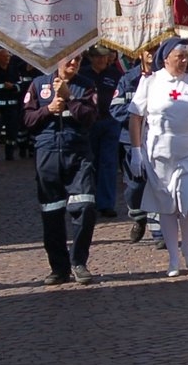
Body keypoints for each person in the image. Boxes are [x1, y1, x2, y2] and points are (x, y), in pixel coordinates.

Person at [128, 36, 188, 276]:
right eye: (178, 56)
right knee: (167, 205)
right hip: (159, 151)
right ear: (166, 57)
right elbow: (136, 117)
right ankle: (173, 257)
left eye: (186, 56)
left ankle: (187, 246)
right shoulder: (150, 82)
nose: (183, 61)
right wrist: (136, 151)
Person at [22, 51, 100, 286]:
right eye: (70, 59)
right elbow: (27, 120)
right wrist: (48, 110)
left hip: (78, 154)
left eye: (78, 60)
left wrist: (70, 99)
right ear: (58, 60)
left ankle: (78, 261)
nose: (74, 63)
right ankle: (59, 268)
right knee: (52, 213)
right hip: (48, 155)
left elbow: (90, 117)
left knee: (85, 207)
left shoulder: (86, 86)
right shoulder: (38, 85)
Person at [111, 43, 163, 247]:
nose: (152, 54)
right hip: (131, 141)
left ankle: (160, 234)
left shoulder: (164, 78)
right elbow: (116, 110)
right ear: (140, 53)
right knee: (135, 186)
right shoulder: (128, 79)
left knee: (158, 185)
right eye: (148, 49)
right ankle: (137, 216)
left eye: (155, 49)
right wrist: (138, 116)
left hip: (158, 140)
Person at [78, 44, 125, 217]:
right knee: (88, 162)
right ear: (91, 57)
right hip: (88, 124)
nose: (101, 59)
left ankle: (106, 203)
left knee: (108, 163)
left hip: (110, 122)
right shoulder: (82, 74)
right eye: (97, 56)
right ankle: (88, 200)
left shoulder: (116, 75)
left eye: (104, 56)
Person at [0, 47, 27, 160]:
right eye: (5, 57)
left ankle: (9, 154)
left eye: (8, 57)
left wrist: (13, 87)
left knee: (12, 131)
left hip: (12, 107)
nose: (7, 59)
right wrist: (2, 86)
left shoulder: (14, 70)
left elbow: (21, 85)